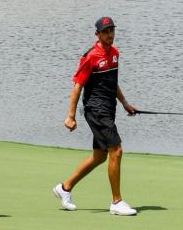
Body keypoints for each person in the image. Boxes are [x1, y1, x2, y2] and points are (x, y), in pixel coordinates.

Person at [53, 16, 139, 216]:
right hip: (95, 109)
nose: (110, 34)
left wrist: (125, 103)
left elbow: (112, 83)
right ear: (97, 34)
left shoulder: (115, 54)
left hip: (108, 109)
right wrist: (71, 116)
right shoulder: (91, 57)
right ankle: (116, 202)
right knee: (116, 150)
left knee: (100, 156)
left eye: (112, 31)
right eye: (106, 31)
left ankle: (64, 188)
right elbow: (77, 87)